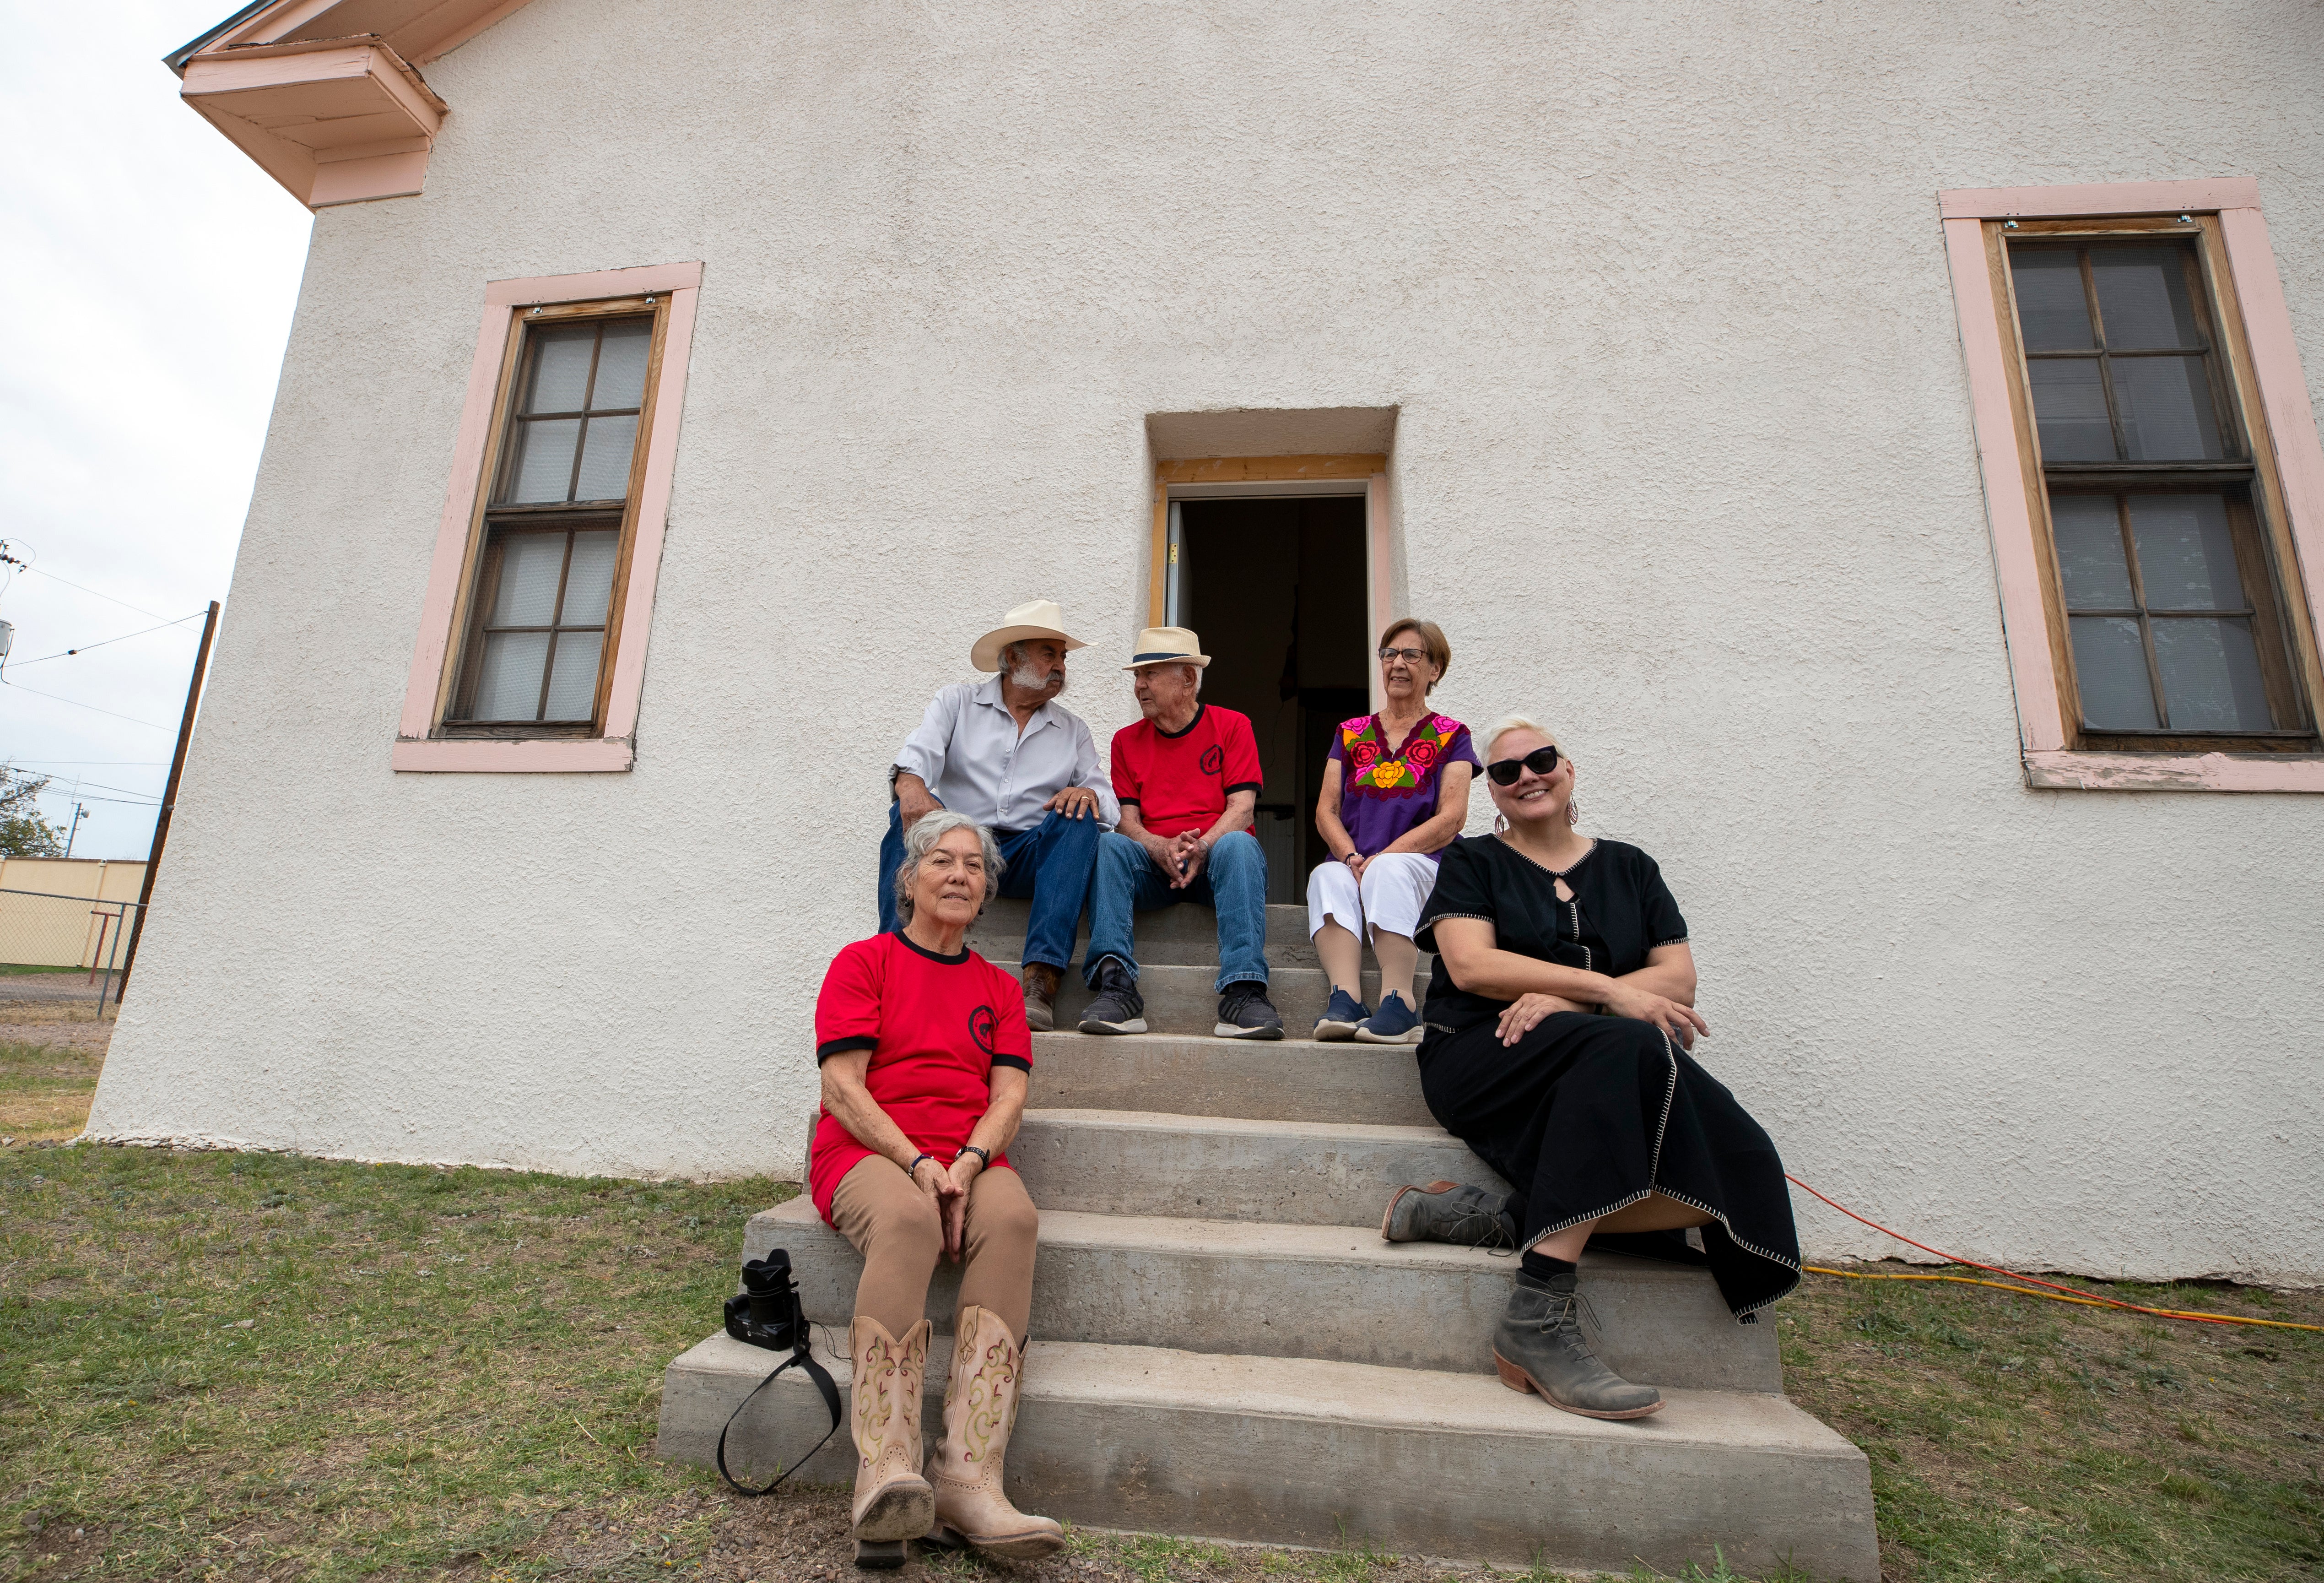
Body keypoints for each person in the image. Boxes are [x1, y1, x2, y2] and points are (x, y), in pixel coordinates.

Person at [1381, 717, 1800, 1422]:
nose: (1525, 776)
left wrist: (1571, 998)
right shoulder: (1474, 860)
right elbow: (1471, 965)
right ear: (1493, 792)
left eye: (1539, 760)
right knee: (1627, 1042)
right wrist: (1603, 990)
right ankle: (1536, 1314)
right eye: (1505, 771)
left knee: (1743, 1162)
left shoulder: (1630, 866)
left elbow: (1679, 980)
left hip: (1603, 1058)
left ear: (1568, 768)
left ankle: (1509, 1217)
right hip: (1484, 1051)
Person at [814, 809, 1065, 1567]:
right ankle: (884, 1468)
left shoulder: (999, 985)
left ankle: (966, 1476)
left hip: (965, 1153)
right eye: (942, 861)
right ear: (910, 878)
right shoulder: (864, 962)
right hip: (868, 1146)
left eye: (975, 865)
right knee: (909, 1222)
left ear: (987, 889)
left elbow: (1009, 1096)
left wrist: (965, 1161)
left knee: (1015, 1217)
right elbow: (840, 1086)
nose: (960, 874)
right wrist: (919, 1163)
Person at [882, 599, 1117, 1033]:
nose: (1061, 666)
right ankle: (889, 963)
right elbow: (917, 756)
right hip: (962, 852)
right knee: (905, 814)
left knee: (1081, 817)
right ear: (1013, 658)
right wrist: (910, 783)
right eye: (1050, 653)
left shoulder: (1073, 729)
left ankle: (1040, 983)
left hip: (1030, 855)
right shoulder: (956, 703)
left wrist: (1086, 793)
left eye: (1063, 657)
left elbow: (1108, 801)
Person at [1076, 627, 1283, 1039]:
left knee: (1240, 844)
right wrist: (1159, 847)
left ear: (1188, 679)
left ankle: (1244, 991)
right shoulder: (1125, 741)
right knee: (1110, 843)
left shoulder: (1232, 725)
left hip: (1217, 865)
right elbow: (1127, 821)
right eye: (1137, 677)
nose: (1139, 686)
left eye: (1150, 674)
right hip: (1155, 869)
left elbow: (1242, 809)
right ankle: (1116, 985)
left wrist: (1203, 846)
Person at [1308, 618, 1480, 1044]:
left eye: (1412, 655)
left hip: (1425, 866)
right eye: (1389, 654)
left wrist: (1385, 857)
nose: (1397, 664)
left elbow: (1452, 818)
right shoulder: (1350, 734)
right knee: (1325, 875)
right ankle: (1345, 999)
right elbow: (1327, 810)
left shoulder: (1452, 736)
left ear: (1435, 669)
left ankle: (1400, 1002)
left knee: (1389, 871)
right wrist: (1349, 857)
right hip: (1358, 863)